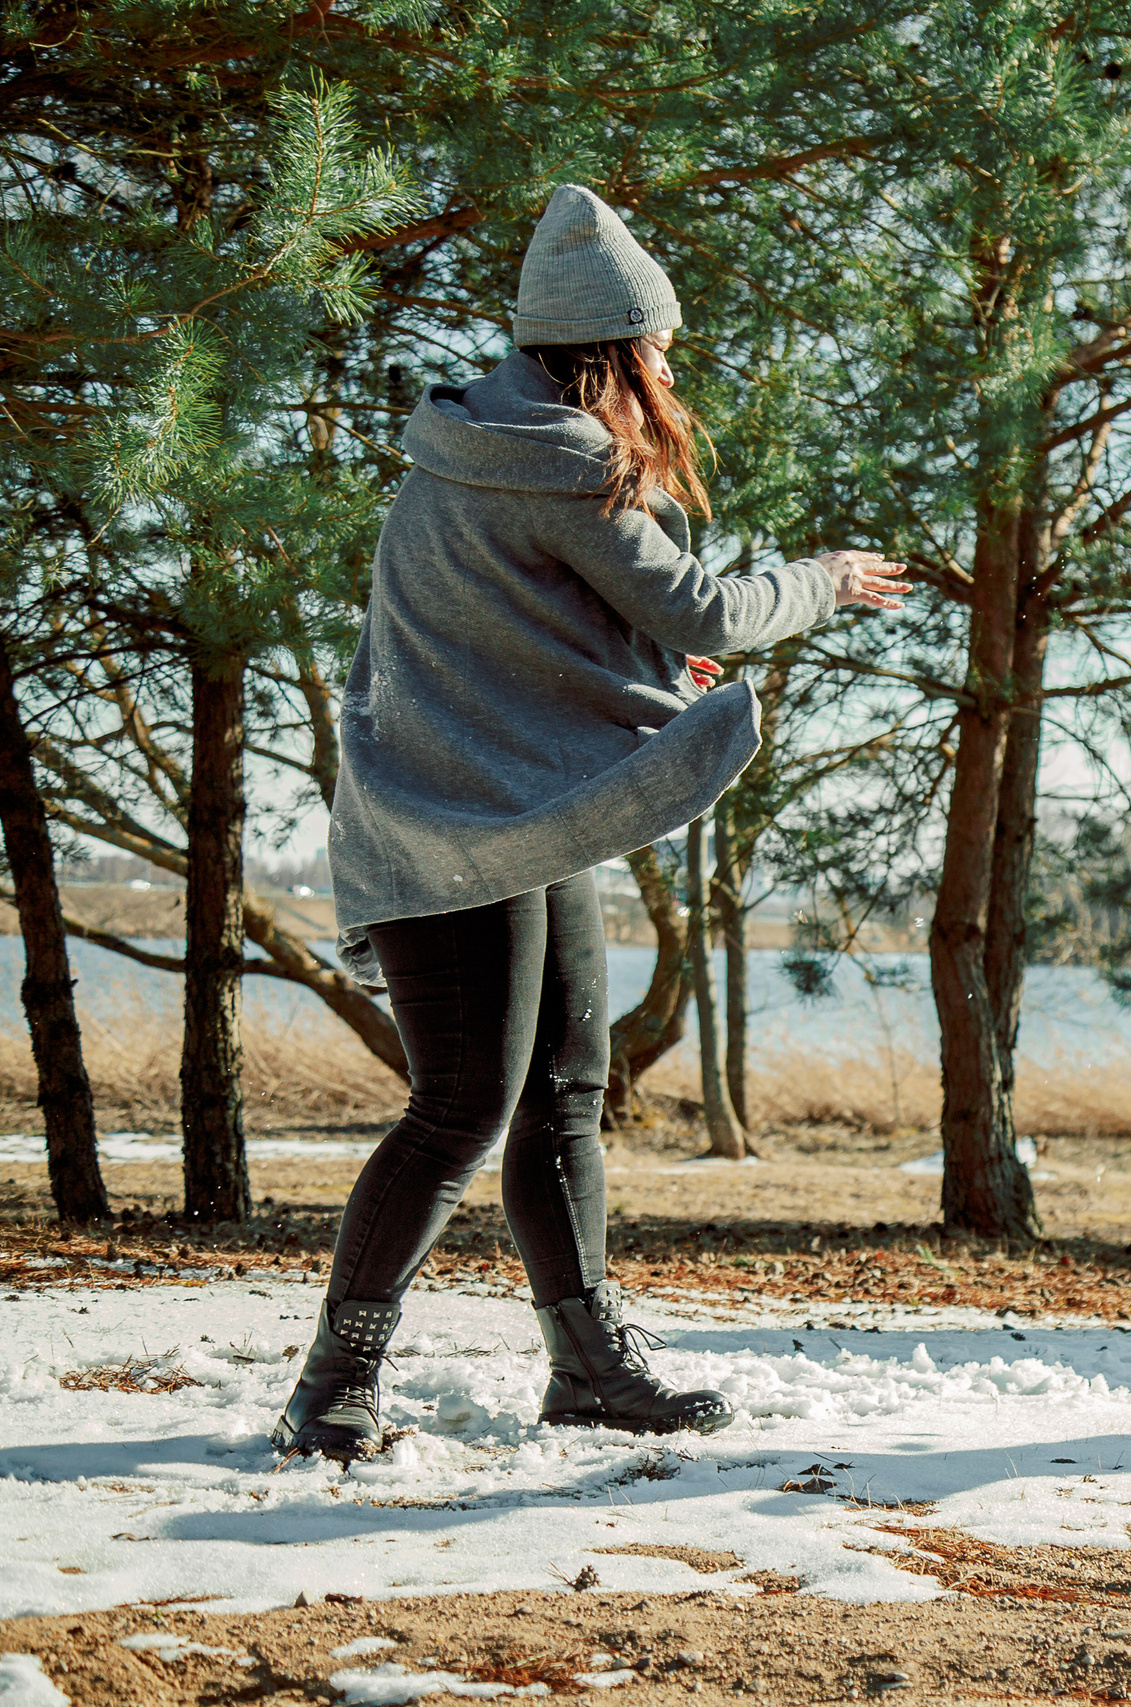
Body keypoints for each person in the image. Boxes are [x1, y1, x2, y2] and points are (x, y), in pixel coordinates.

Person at [273, 185, 912, 1463]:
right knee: (460, 1105)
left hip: (509, 815)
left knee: (565, 1091)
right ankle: (331, 1385)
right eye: (661, 348)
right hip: (457, 832)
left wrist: (624, 679)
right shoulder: (565, 461)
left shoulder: (463, 450)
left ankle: (589, 1369)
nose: (671, 371)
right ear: (613, 349)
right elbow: (712, 615)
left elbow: (500, 642)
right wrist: (827, 582)